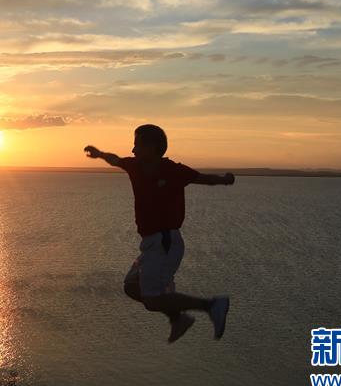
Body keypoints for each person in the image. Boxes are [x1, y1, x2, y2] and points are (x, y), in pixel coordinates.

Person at [85, 124, 234, 343]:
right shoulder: (135, 166)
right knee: (132, 287)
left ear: (152, 147)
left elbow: (203, 179)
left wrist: (224, 179)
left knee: (153, 299)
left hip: (166, 242)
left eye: (137, 145)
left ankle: (212, 305)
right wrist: (98, 154)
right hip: (150, 245)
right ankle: (178, 319)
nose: (133, 150)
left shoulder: (173, 170)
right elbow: (114, 159)